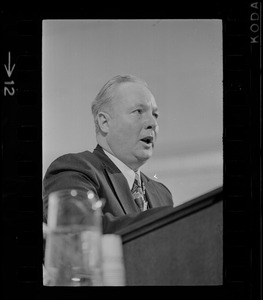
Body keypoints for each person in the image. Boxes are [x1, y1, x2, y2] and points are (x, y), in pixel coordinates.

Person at [43, 75, 174, 234]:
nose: (152, 123)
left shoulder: (162, 194)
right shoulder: (75, 169)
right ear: (104, 122)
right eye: (138, 111)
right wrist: (166, 218)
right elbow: (79, 230)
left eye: (155, 115)